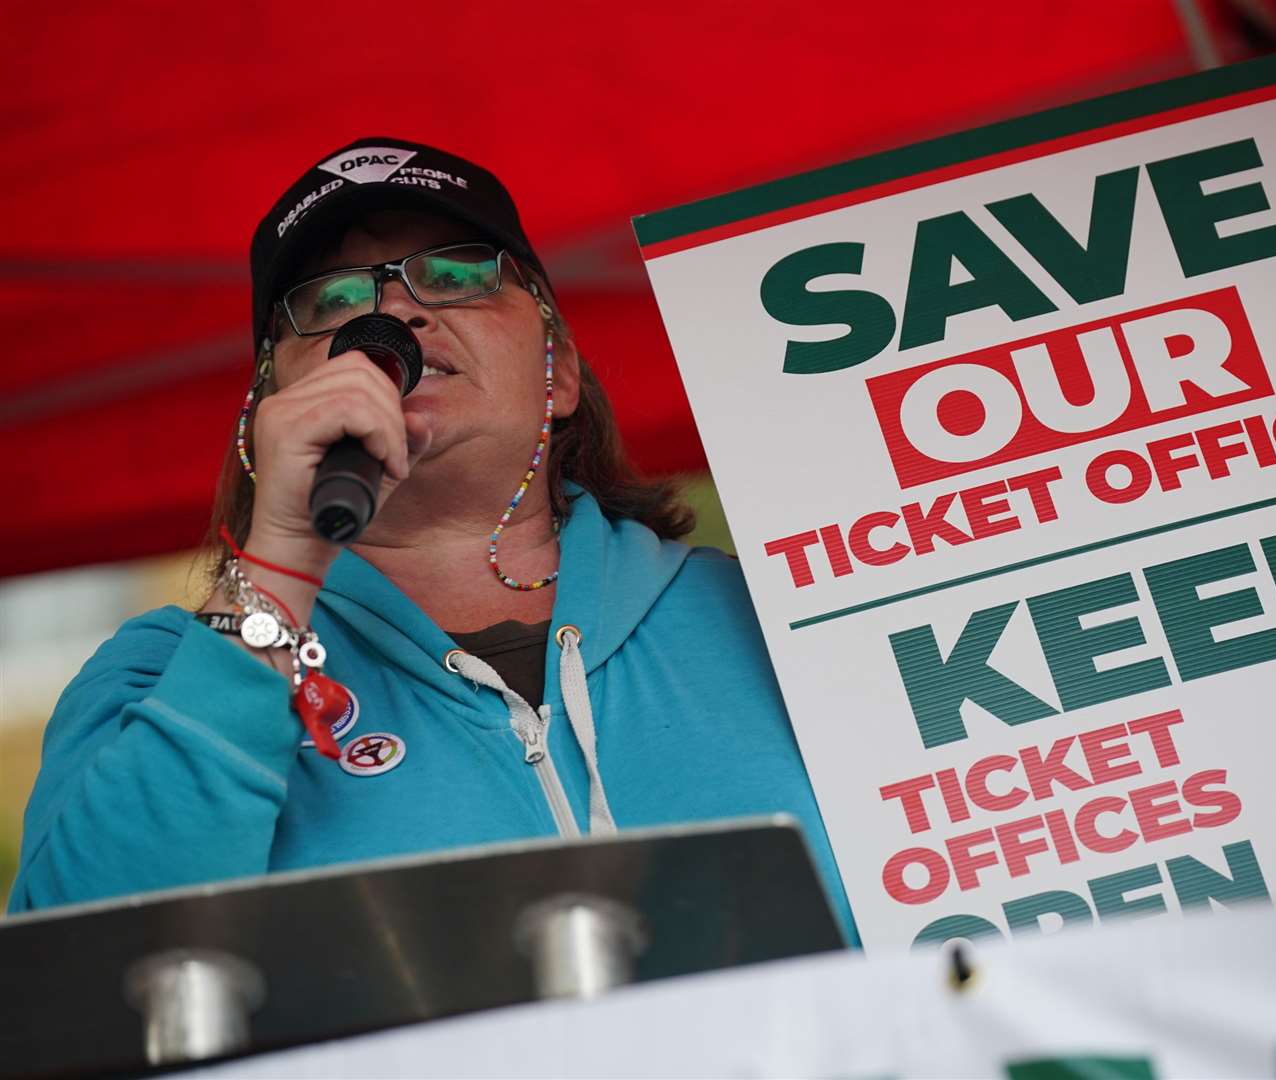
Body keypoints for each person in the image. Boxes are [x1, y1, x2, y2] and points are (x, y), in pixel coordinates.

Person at [8, 137, 855, 941]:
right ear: (272, 408)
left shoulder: (787, 611)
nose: (394, 310)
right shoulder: (156, 677)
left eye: (457, 274)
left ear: (556, 367)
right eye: (332, 302)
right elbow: (91, 985)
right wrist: (276, 571)